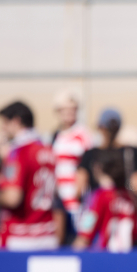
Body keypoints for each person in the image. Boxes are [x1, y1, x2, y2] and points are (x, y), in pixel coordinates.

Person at [0, 102, 59, 250]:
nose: (2, 127)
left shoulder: (18, 152)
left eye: (5, 122)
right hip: (46, 234)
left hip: (19, 236)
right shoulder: (47, 150)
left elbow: (12, 197)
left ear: (16, 121)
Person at [73, 153, 137, 252]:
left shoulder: (100, 196)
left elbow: (85, 233)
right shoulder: (129, 197)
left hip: (105, 258)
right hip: (127, 258)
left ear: (97, 168)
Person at [77, 109, 137, 198]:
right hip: (122, 207)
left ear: (100, 127)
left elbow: (78, 190)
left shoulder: (90, 155)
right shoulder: (129, 153)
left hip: (99, 208)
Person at [51, 90, 92, 219]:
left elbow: (89, 164)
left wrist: (78, 193)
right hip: (59, 200)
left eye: (73, 109)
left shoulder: (83, 134)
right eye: (65, 109)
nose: (69, 113)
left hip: (77, 202)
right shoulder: (56, 136)